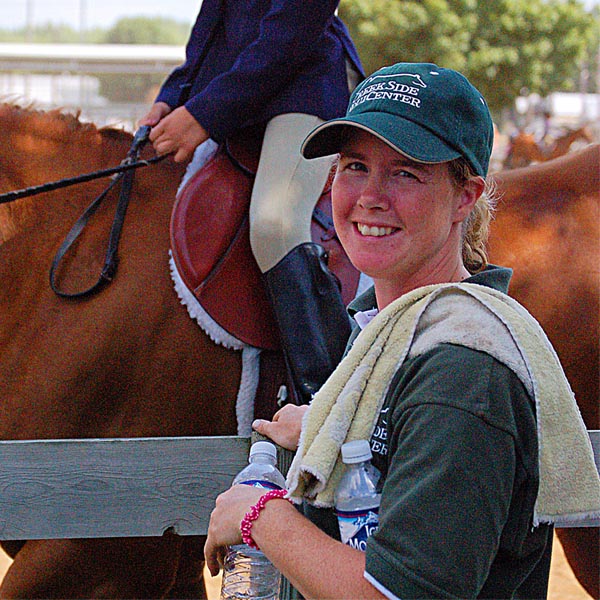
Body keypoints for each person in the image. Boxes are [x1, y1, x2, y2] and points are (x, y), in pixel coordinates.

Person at [204, 62, 600, 599]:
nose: (370, 196)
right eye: (354, 167)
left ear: (465, 197)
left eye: (406, 173)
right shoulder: (388, 331)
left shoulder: (462, 373)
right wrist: (332, 426)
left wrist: (261, 520)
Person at [139, 1, 364, 404]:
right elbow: (214, 23)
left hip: (301, 86)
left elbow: (292, 30)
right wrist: (176, 94)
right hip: (238, 98)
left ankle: (333, 405)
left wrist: (205, 114)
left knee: (275, 223)